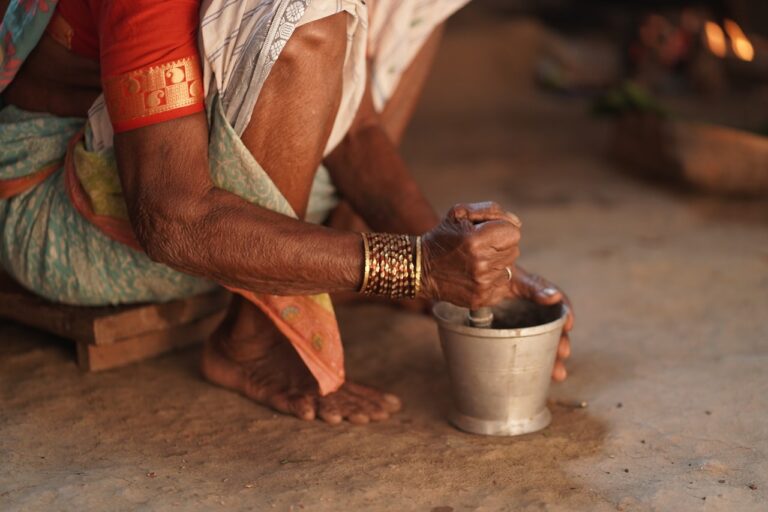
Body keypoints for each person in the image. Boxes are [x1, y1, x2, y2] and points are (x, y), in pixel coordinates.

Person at [0, 0, 573, 425]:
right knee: (304, 15)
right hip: (57, 216)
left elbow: (356, 131)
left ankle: (331, 257)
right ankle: (252, 335)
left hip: (192, 186)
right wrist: (411, 264)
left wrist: (447, 267)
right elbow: (171, 220)